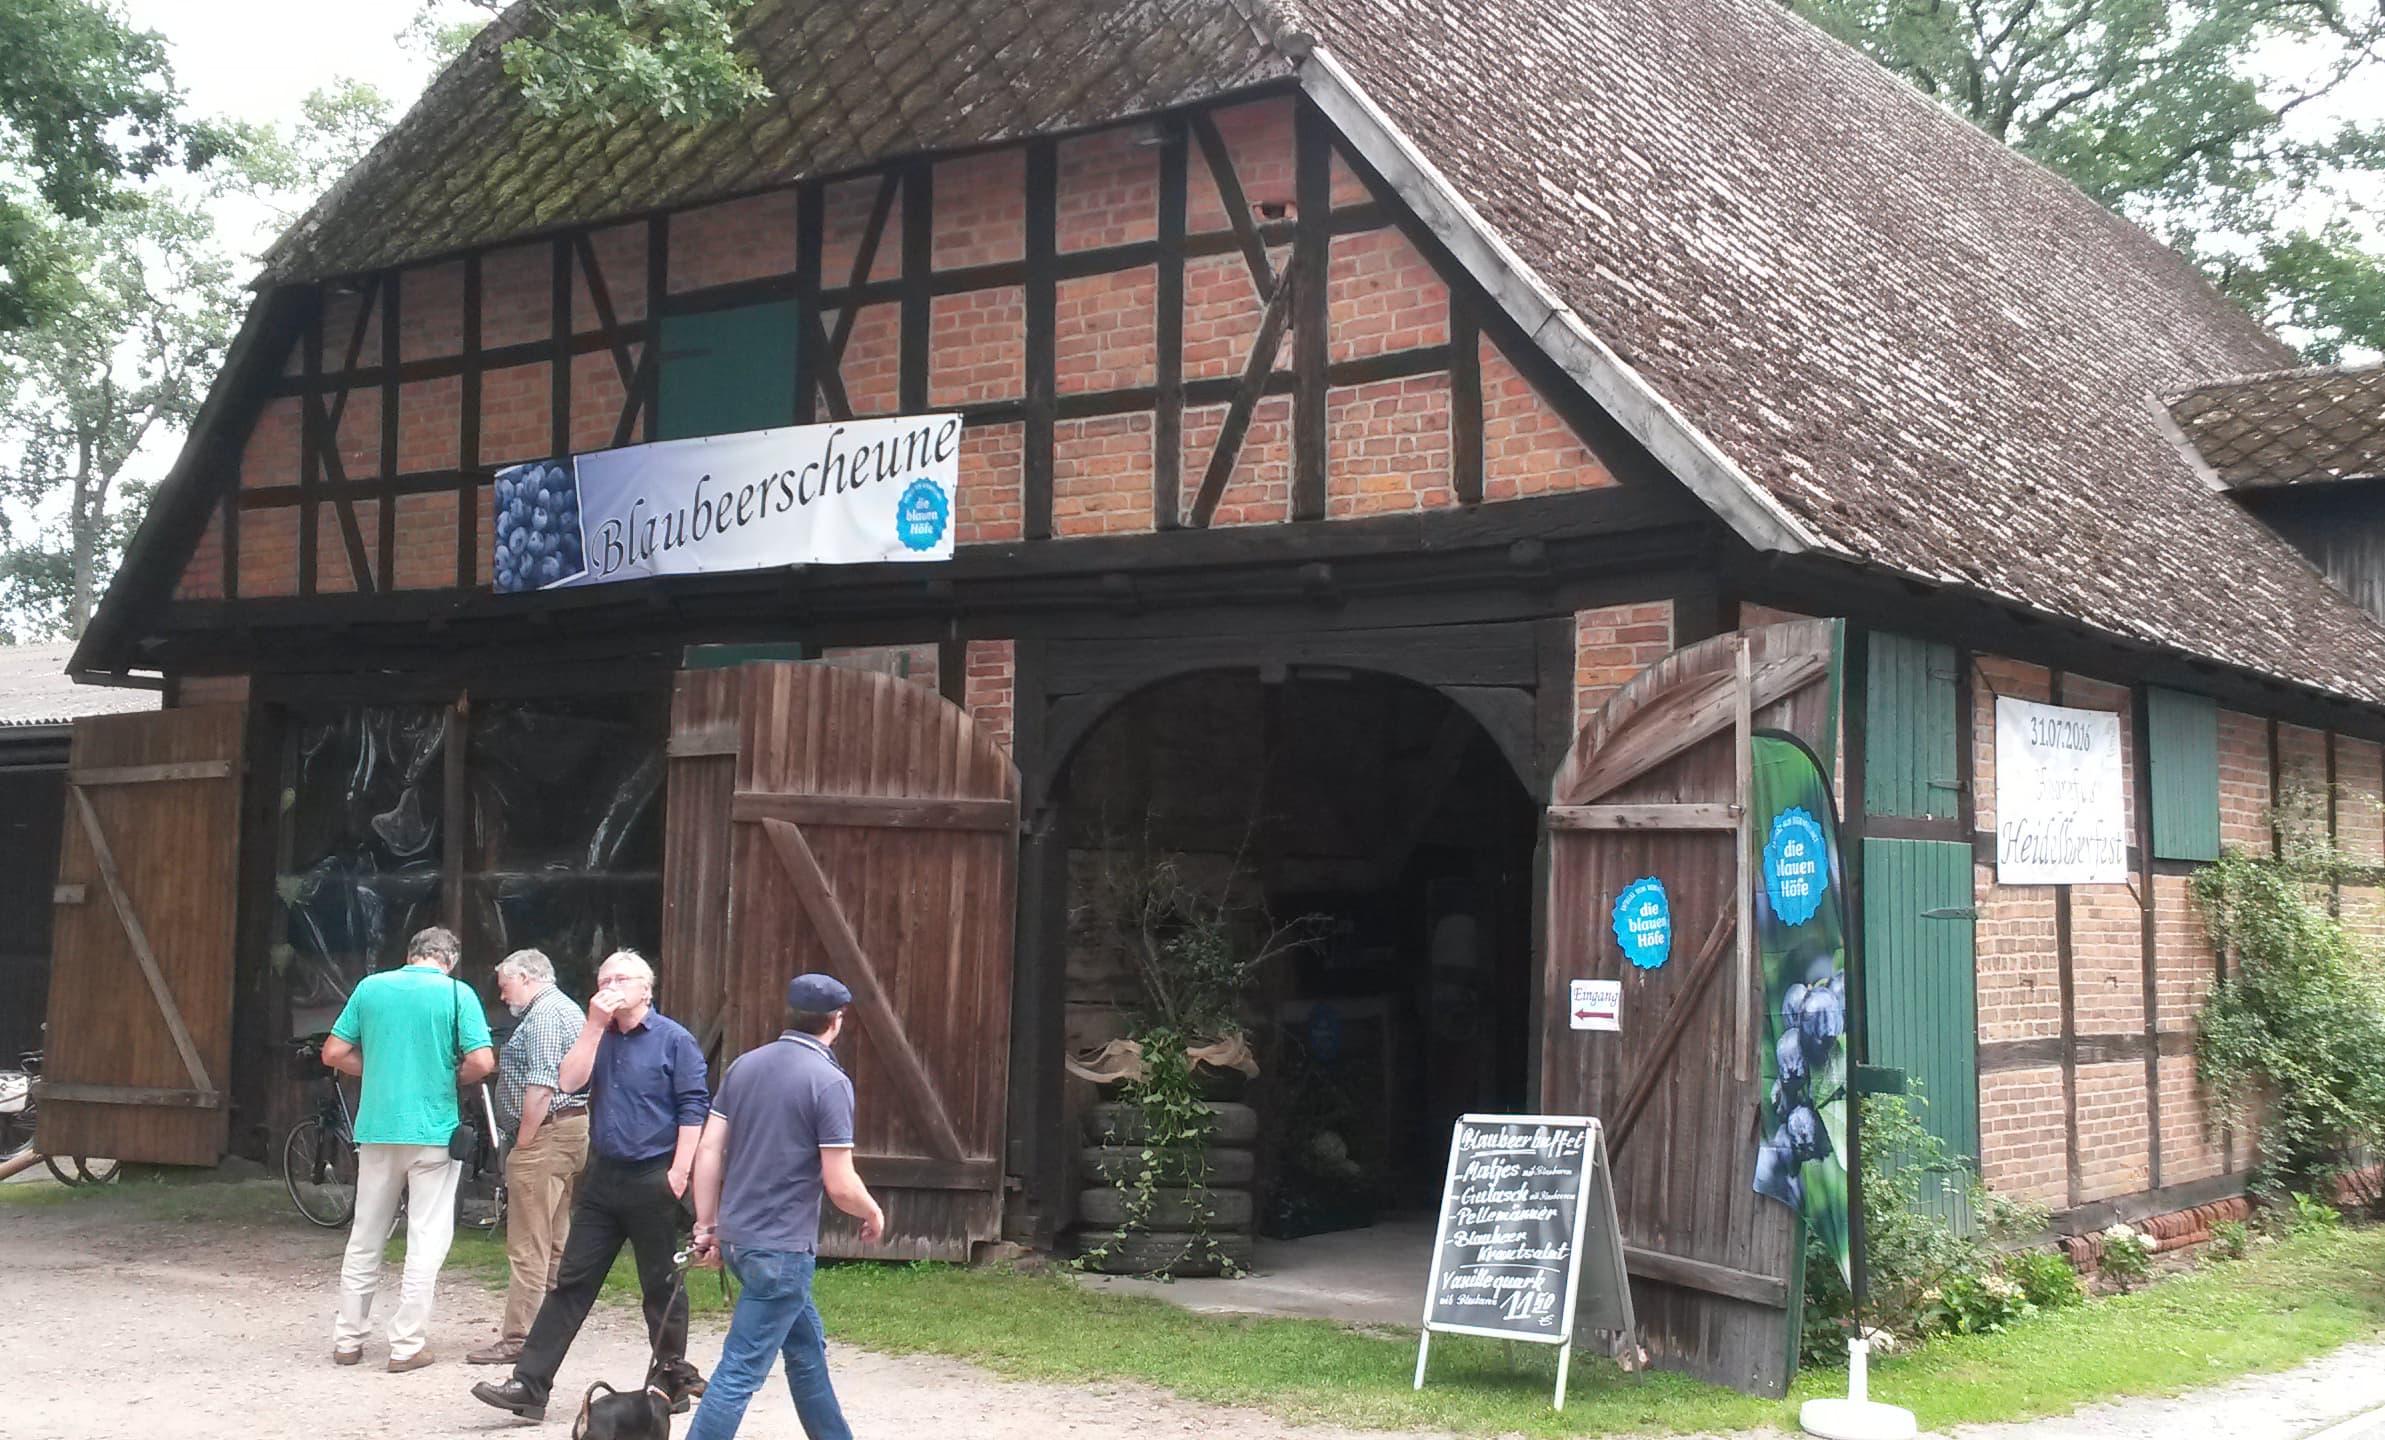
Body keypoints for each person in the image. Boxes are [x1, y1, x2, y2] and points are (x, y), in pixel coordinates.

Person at [471, 949, 710, 1422]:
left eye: (621, 980)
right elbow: (568, 1080)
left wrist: (680, 1171)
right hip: (604, 1174)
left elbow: (693, 1108)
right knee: (571, 1282)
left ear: (646, 989)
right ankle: (529, 1385)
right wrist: (594, 1027)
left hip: (654, 1173)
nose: (611, 988)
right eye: (604, 981)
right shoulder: (595, 1033)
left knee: (661, 1286)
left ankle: (670, 1387)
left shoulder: (674, 1040)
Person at [682, 974, 886, 1440]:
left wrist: (707, 1225)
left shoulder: (744, 1067)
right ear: (837, 1021)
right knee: (738, 1372)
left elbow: (708, 1150)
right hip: (782, 1252)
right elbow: (840, 1184)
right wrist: (872, 1211)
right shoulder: (829, 1082)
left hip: (740, 1242)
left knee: (805, 1352)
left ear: (790, 1014)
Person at [321, 925, 497, 1372]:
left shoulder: (371, 988)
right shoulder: (457, 994)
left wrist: (376, 1069)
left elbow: (334, 1052)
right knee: (425, 1239)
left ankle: (348, 1339)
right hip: (433, 1131)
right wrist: (447, 1077)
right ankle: (406, 1344)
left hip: (377, 1127)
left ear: (411, 953)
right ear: (449, 960)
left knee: (365, 1235)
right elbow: (482, 1061)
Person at [468, 948, 591, 1367]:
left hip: (546, 1133)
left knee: (528, 1243)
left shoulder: (543, 1017)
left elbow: (541, 1085)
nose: (503, 996)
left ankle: (520, 1337)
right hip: (569, 1130)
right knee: (555, 1239)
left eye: (505, 986)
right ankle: (552, 1331)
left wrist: (523, 1142)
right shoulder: (566, 1008)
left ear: (525, 977)